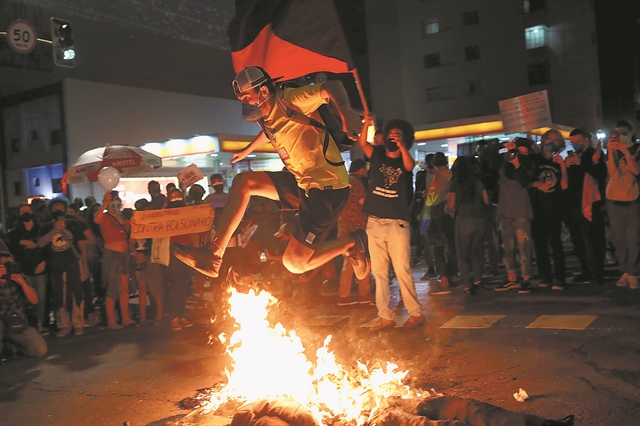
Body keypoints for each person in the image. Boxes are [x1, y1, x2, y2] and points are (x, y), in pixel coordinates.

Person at [172, 66, 368, 282]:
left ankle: (352, 242)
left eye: (246, 97)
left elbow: (333, 86)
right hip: (302, 183)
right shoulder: (268, 117)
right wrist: (247, 150)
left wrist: (346, 110)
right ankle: (214, 254)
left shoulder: (290, 100)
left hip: (326, 189)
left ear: (264, 92)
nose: (244, 103)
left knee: (294, 263)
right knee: (243, 182)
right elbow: (271, 131)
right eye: (240, 99)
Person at [358, 115, 424, 331]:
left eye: (398, 135)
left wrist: (402, 147)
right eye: (391, 135)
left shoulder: (404, 160)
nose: (393, 138)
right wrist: (366, 123)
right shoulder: (376, 155)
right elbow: (362, 144)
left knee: (402, 269)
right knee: (379, 271)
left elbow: (408, 166)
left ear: (406, 140)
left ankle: (415, 313)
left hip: (397, 223)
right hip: (375, 222)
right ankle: (385, 317)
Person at [485, 138, 535, 294]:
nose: (517, 154)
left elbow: (525, 181)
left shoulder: (528, 164)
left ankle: (526, 279)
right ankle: (511, 277)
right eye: (516, 151)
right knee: (507, 247)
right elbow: (487, 156)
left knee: (524, 248)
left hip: (521, 211)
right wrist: (502, 146)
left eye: (521, 151)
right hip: (505, 211)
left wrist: (518, 164)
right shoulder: (504, 163)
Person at [37, 198, 89, 336]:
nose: (58, 209)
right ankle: (63, 325)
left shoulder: (73, 223)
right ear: (50, 210)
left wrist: (85, 265)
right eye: (55, 207)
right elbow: (41, 243)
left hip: (73, 263)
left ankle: (78, 322)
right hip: (56, 266)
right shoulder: (45, 227)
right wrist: (55, 229)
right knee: (59, 295)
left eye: (61, 206)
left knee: (76, 293)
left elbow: (82, 245)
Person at [565, 128, 607, 285]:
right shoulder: (572, 156)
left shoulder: (594, 154)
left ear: (586, 140)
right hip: (574, 203)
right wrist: (566, 167)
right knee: (578, 240)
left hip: (591, 202)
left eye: (578, 141)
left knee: (592, 240)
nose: (575, 145)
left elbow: (597, 174)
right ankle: (586, 270)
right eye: (572, 142)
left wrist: (581, 164)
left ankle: (597, 272)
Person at [530, 129, 568, 291]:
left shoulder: (559, 161)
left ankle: (560, 277)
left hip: (554, 206)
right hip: (537, 207)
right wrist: (539, 184)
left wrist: (563, 167)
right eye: (549, 140)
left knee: (555, 243)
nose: (551, 143)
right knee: (540, 244)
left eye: (555, 141)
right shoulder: (535, 160)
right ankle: (545, 275)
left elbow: (565, 186)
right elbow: (528, 181)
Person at [605, 120, 640, 290]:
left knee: (632, 238)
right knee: (618, 238)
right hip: (615, 200)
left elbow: (635, 170)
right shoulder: (613, 150)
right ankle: (624, 271)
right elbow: (612, 173)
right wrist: (611, 152)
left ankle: (633, 273)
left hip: (633, 200)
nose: (621, 135)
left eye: (624, 132)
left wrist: (626, 152)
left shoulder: (637, 149)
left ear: (632, 132)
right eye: (618, 132)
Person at [447, 156, 489, 295]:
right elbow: (486, 200)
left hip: (464, 220)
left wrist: (449, 210)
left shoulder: (455, 183)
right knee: (475, 252)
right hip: (480, 220)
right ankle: (477, 279)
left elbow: (451, 204)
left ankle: (466, 284)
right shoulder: (477, 181)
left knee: (462, 255)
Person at [94, 192, 136, 329]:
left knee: (124, 288)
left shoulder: (122, 218)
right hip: (112, 255)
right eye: (112, 204)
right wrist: (105, 203)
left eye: (117, 204)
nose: (115, 206)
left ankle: (125, 318)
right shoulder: (105, 217)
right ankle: (111, 320)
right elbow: (96, 219)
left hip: (124, 255)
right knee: (113, 289)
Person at [0, 241, 47, 359]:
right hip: (1, 323)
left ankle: (13, 346)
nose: (8, 268)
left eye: (10, 264)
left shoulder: (17, 277)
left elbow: (34, 300)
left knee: (40, 350)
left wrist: (22, 283)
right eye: (5, 265)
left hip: (18, 323)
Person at [6, 204, 47, 334]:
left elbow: (46, 248)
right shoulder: (14, 233)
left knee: (41, 297)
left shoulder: (41, 229)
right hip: (24, 269)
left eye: (28, 210)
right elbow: (11, 251)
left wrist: (44, 262)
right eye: (22, 211)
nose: (25, 213)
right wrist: (21, 242)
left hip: (40, 267)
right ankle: (32, 323)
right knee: (27, 298)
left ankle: (41, 322)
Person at [337, 159, 372, 306]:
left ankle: (344, 295)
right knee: (360, 260)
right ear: (361, 169)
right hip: (357, 227)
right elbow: (364, 203)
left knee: (349, 260)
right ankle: (363, 294)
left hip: (343, 227)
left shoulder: (341, 182)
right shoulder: (356, 183)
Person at [425, 152, 457, 293]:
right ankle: (454, 274)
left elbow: (432, 199)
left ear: (433, 164)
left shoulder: (436, 176)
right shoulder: (452, 174)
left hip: (436, 214)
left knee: (438, 247)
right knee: (452, 245)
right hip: (450, 213)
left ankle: (443, 276)